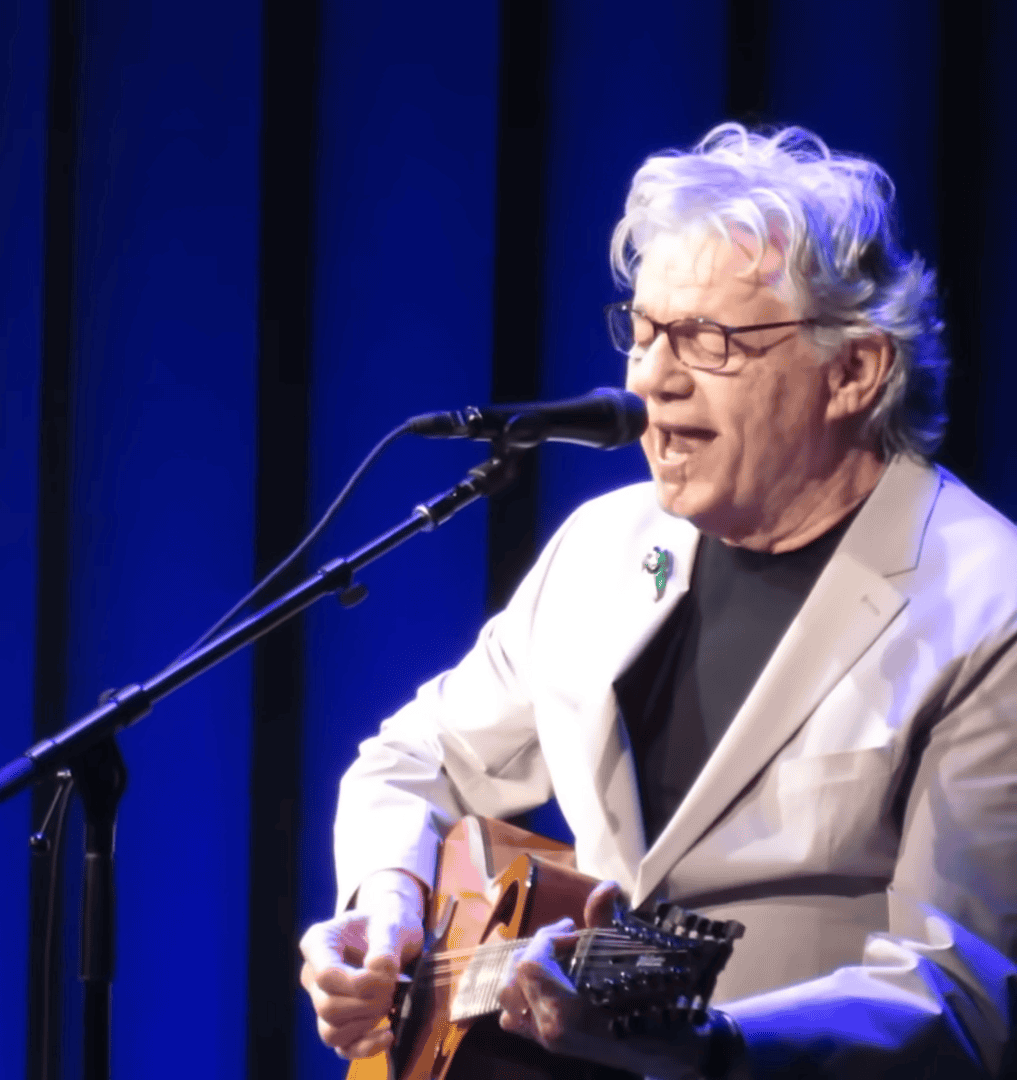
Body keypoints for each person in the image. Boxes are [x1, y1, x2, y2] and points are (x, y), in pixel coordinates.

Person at [300, 123, 1017, 1078]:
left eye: (706, 341)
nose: (648, 380)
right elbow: (408, 761)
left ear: (854, 370)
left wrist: (713, 1049)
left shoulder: (987, 605)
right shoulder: (608, 545)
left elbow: (963, 998)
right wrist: (384, 908)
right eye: (642, 331)